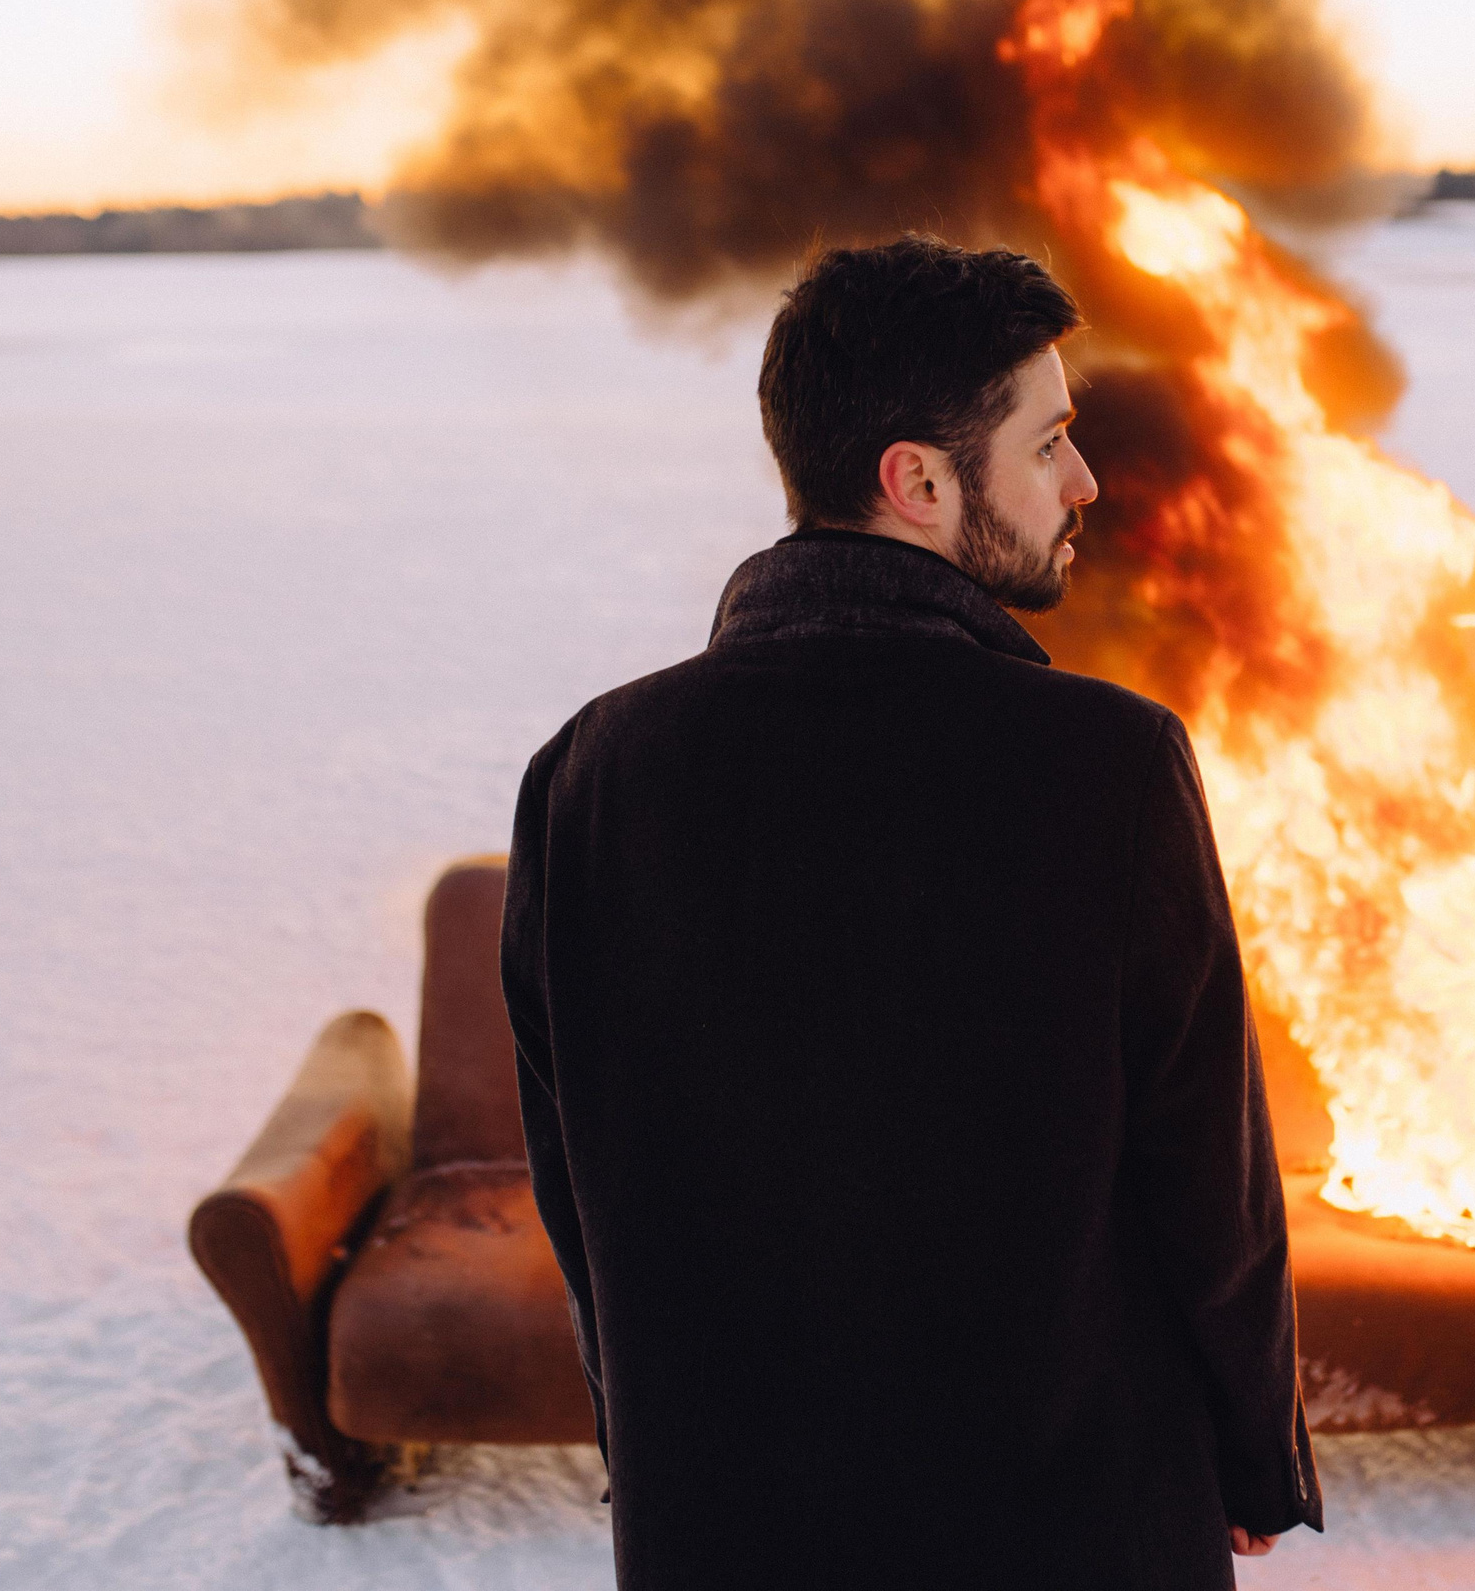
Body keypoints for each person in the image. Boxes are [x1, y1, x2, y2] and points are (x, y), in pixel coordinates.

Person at [501, 233, 1320, 1589]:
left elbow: (577, 1184)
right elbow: (1208, 1179)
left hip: (729, 1530)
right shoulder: (1106, 764)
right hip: (1073, 1527)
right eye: (1049, 440)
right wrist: (1252, 1452)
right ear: (920, 481)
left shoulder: (590, 774)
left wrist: (649, 1440)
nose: (1085, 480)